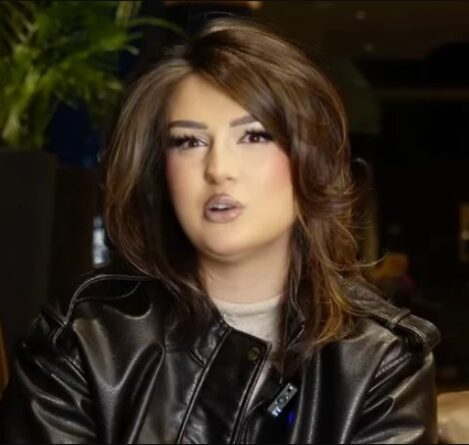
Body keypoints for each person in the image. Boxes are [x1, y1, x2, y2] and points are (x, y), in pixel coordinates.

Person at [0, 17, 440, 443]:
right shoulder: (81, 339)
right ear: (160, 171)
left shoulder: (383, 360)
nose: (218, 169)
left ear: (312, 160)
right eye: (189, 142)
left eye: (254, 136)